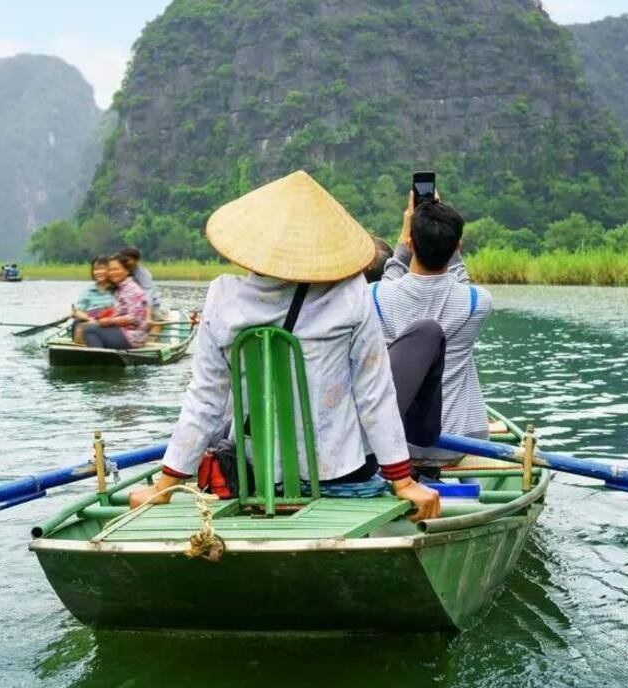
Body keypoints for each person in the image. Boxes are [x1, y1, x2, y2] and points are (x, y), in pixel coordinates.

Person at [127, 170, 441, 523]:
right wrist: (402, 481)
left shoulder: (223, 296)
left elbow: (205, 399)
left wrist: (164, 486)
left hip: (255, 475)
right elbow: (374, 392)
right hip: (341, 474)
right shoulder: (352, 293)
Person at [371, 194, 492, 480]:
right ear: (457, 248)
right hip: (456, 444)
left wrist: (405, 232)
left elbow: (391, 275)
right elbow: (460, 280)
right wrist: (448, 237)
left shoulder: (375, 296)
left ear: (411, 243)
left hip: (399, 445)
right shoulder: (478, 302)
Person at [79, 255, 149, 349]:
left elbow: (134, 318)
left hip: (133, 337)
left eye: (116, 269)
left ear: (127, 271)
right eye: (110, 270)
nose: (113, 273)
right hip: (123, 332)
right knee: (90, 325)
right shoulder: (120, 288)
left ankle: (99, 358)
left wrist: (108, 321)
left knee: (90, 330)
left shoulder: (132, 289)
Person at [70, 257, 116, 342]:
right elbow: (77, 311)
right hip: (92, 323)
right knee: (76, 323)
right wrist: (89, 319)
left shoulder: (117, 289)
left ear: (109, 270)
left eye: (102, 269)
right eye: (95, 269)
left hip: (111, 324)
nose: (98, 272)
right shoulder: (89, 291)